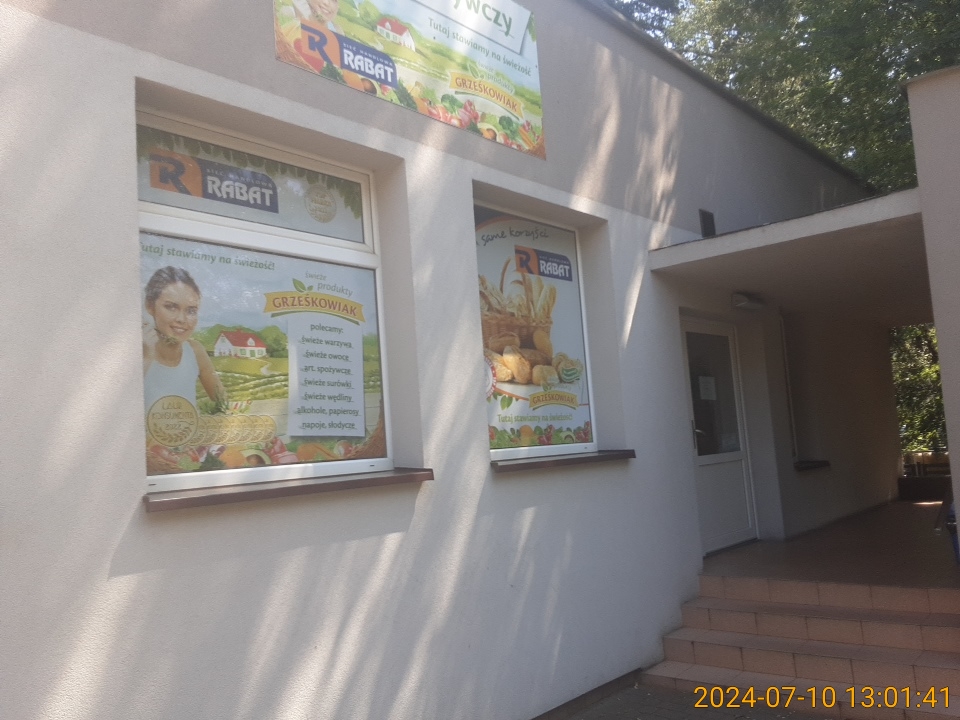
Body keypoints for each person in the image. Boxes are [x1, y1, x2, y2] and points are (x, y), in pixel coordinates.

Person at [142, 266, 225, 414]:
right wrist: (147, 357)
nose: (182, 319)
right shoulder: (139, 351)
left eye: (191, 311)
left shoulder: (195, 351)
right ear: (150, 306)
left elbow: (223, 402)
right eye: (171, 307)